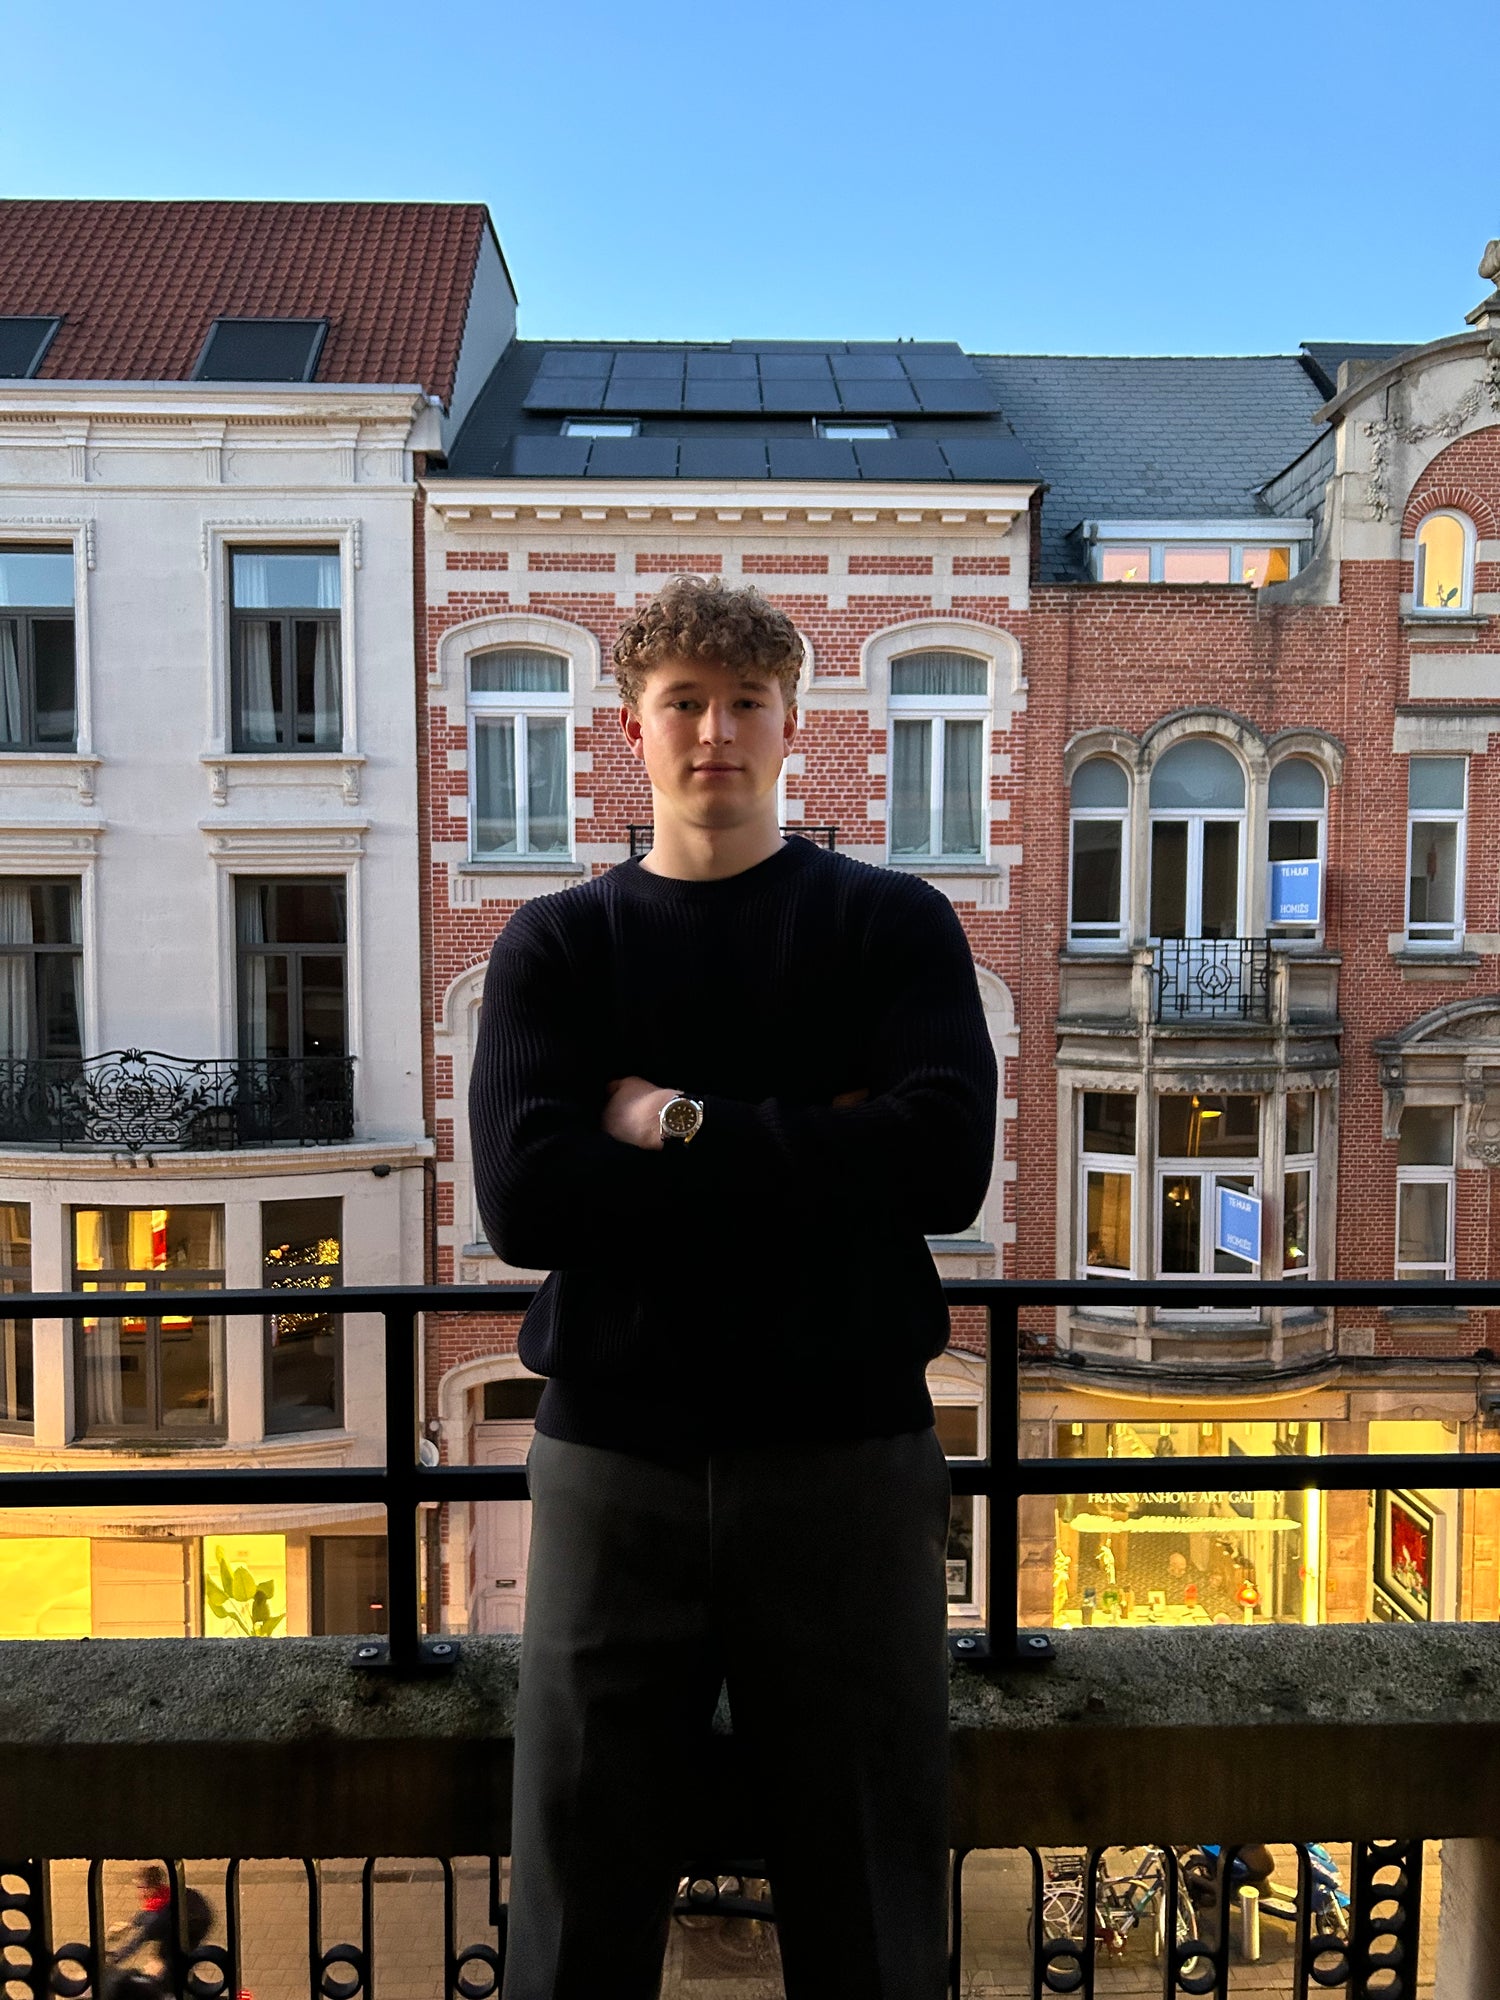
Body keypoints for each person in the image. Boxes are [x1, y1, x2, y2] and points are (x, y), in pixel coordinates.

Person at [470, 574, 998, 2000]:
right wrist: (826, 1141)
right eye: (684, 704)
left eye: (746, 703)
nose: (716, 732)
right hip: (617, 1469)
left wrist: (669, 1123)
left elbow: (945, 1166)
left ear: (791, 725)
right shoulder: (557, 944)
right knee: (574, 1900)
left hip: (848, 1466)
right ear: (630, 730)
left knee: (874, 1903)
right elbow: (527, 1202)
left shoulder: (892, 924)